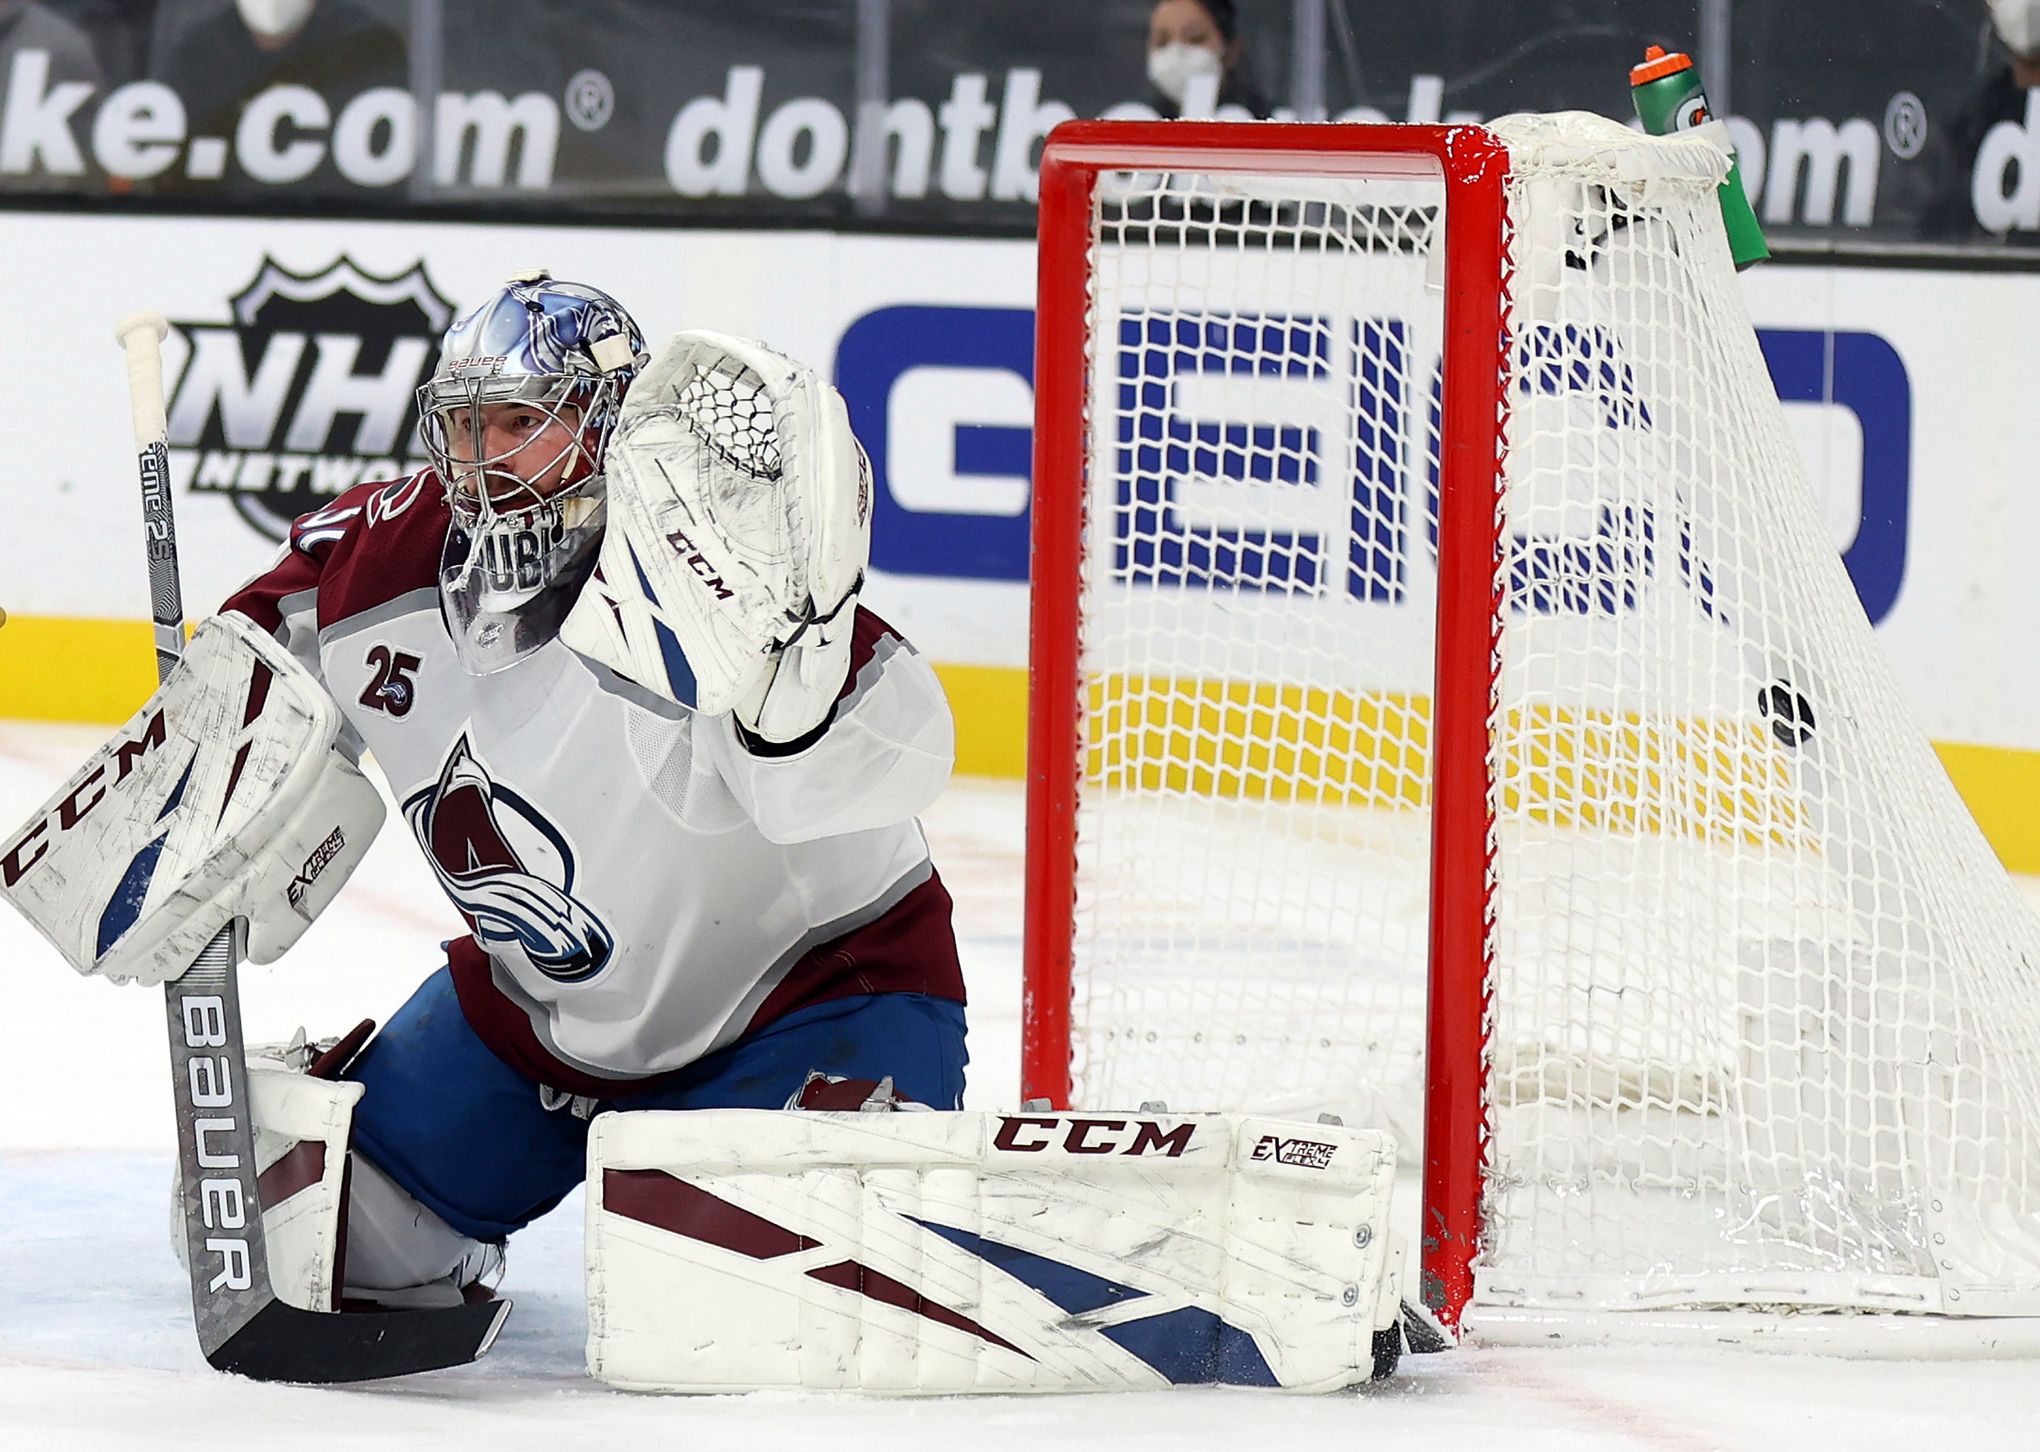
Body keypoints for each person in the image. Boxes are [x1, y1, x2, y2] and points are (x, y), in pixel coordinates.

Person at [213, 273, 966, 1306]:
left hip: (812, 999)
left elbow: (903, 752)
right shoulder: (394, 557)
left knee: (749, 1307)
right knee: (289, 1228)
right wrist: (190, 770)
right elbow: (252, 639)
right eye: (467, 428)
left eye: (521, 423)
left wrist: (798, 687)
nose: (485, 461)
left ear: (607, 425)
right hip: (544, 1016)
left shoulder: (718, 566)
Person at [1144, 0, 1271, 120]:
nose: (1176, 52)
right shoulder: (1137, 118)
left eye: (1195, 38)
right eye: (1162, 41)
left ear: (1232, 50)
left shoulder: (1270, 120)